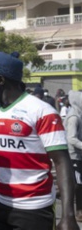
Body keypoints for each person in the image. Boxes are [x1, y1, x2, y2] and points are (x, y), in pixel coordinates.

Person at [0, 51, 78, 230]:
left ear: (1, 80)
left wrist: (68, 216)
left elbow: (62, 162)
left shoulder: (42, 111)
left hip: (33, 209)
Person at [66, 90, 82, 223]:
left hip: (79, 155)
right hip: (73, 156)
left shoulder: (79, 115)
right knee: (77, 185)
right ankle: (77, 212)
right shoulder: (74, 117)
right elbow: (71, 139)